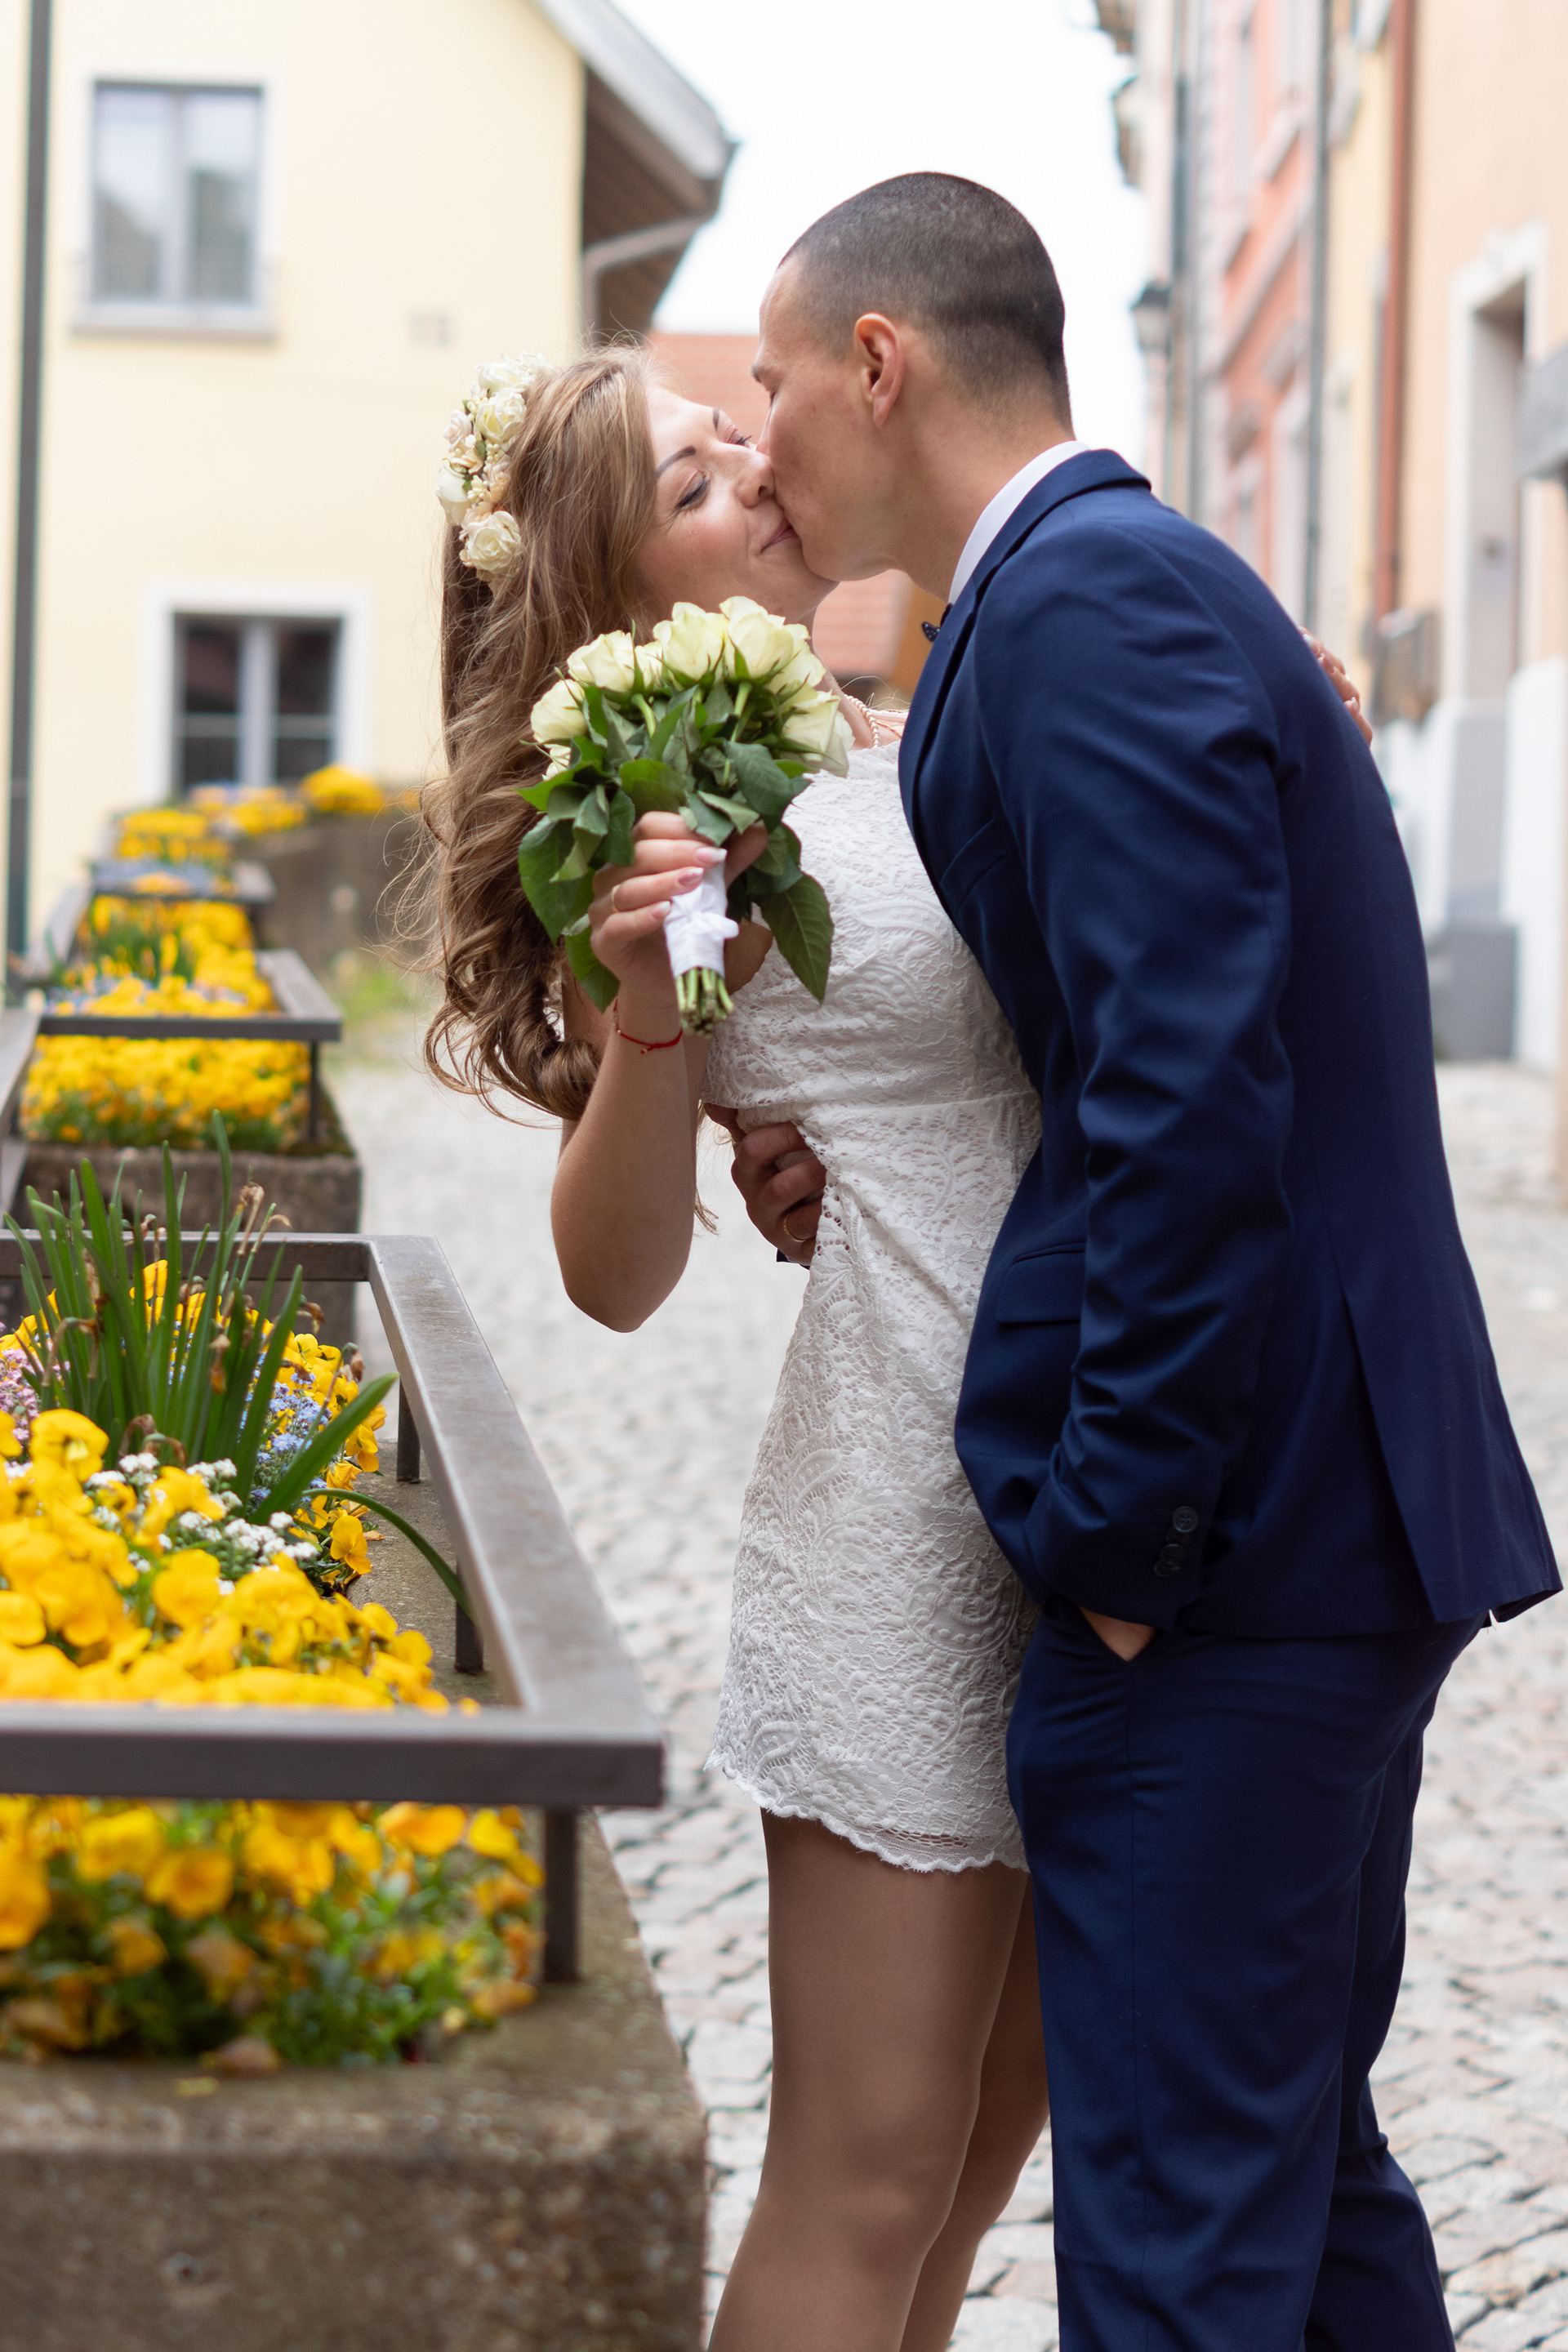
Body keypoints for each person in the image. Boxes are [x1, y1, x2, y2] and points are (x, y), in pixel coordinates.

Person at [421, 341, 1373, 2350]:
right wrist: (660, 1017)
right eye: (695, 480)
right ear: (619, 589)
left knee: (977, 2165)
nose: (755, 466)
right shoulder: (661, 828)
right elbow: (612, 1272)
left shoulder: (900, 715)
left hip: (1094, 1478)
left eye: (732, 438)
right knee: (861, 2179)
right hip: (900, 1519)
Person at [729, 172, 1560, 2352]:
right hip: (1303, 1540)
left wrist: (1119, 1534)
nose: (762, 437)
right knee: (1297, 2186)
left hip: (1231, 1556)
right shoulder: (1097, 599)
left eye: (774, 381)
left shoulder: (1090, 605)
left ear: (881, 366)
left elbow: (1188, 1104)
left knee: (1186, 2247)